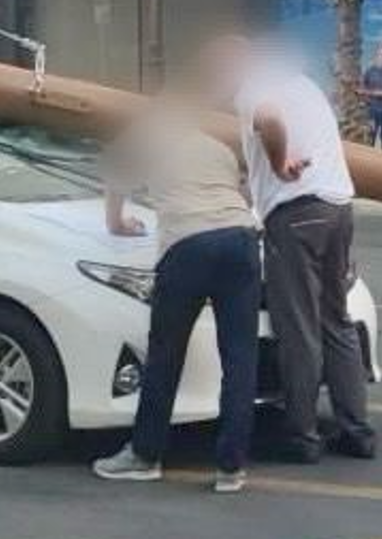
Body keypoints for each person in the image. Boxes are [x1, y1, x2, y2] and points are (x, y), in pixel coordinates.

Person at [91, 74, 261, 494]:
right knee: (240, 356)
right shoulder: (217, 132)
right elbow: (248, 187)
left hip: (187, 243)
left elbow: (116, 174)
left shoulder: (151, 125)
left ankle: (144, 455)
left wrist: (116, 222)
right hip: (240, 239)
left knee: (166, 354)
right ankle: (231, 467)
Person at [215, 35, 376, 463]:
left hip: (297, 212)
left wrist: (278, 161)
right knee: (335, 319)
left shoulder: (254, 90)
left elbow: (269, 120)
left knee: (298, 328)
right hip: (338, 206)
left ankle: (302, 436)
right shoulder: (300, 84)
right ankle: (357, 430)